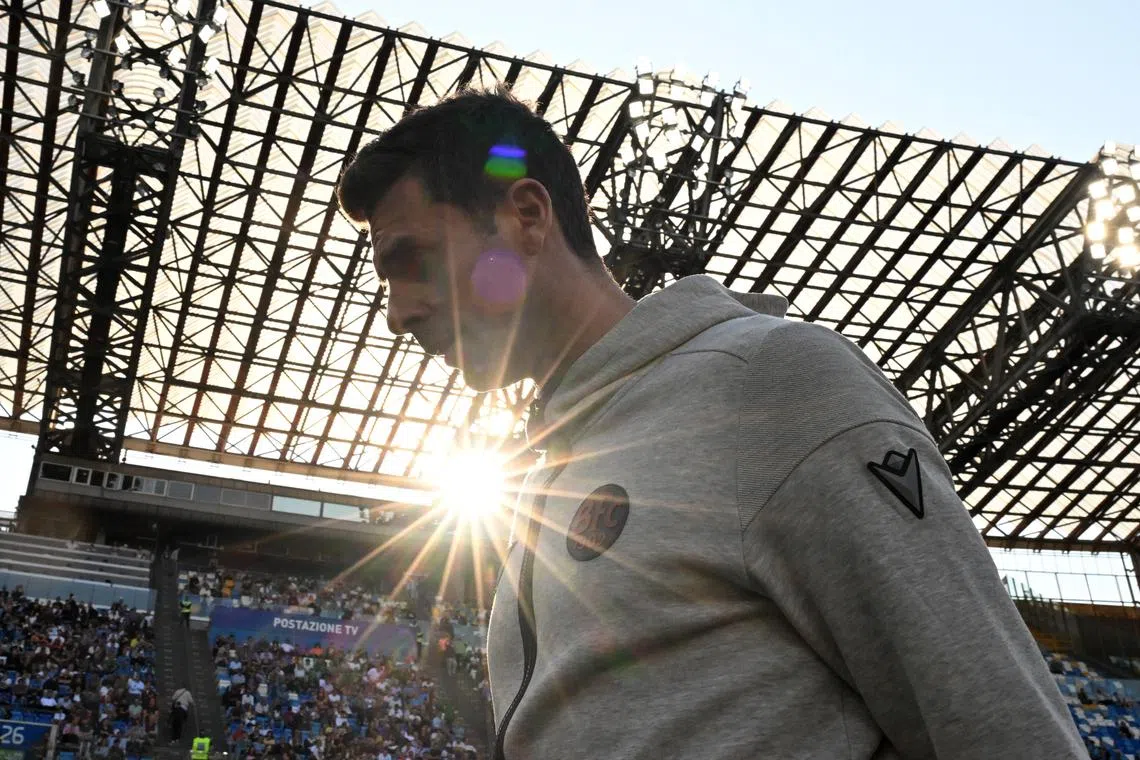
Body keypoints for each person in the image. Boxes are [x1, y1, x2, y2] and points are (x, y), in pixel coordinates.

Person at [335, 86, 1086, 759]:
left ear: (526, 216)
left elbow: (999, 721)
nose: (399, 311)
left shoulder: (770, 380)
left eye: (413, 261)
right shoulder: (535, 486)